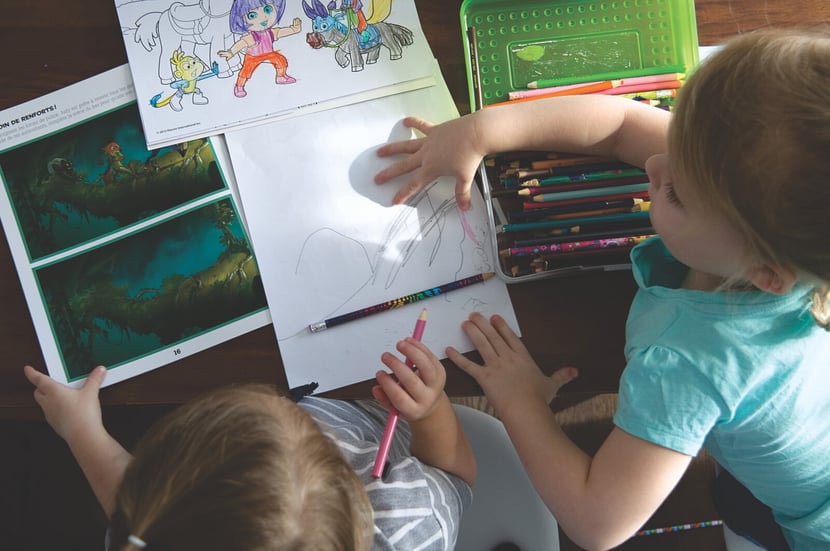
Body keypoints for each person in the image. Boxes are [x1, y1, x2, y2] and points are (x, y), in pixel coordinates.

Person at [374, 28, 830, 551]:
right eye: (676, 135)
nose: (654, 164)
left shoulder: (689, 365)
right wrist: (480, 131)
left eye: (675, 194)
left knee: (743, 513)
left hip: (807, 525)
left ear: (767, 275)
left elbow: (598, 523)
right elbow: (623, 123)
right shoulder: (759, 195)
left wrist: (523, 402)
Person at [23, 336, 475, 550]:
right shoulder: (408, 527)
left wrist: (83, 432)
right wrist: (431, 411)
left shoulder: (156, 535)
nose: (286, 401)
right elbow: (456, 478)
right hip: (378, 411)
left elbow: (133, 502)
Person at [218, 0, 302, 98]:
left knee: (281, 60)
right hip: (253, 57)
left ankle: (281, 77)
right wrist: (231, 52)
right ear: (241, 20)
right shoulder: (252, 36)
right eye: (252, 15)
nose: (263, 18)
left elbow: (282, 32)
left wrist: (294, 29)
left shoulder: (270, 32)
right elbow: (241, 44)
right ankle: (239, 86)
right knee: (245, 71)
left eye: (267, 10)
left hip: (269, 53)